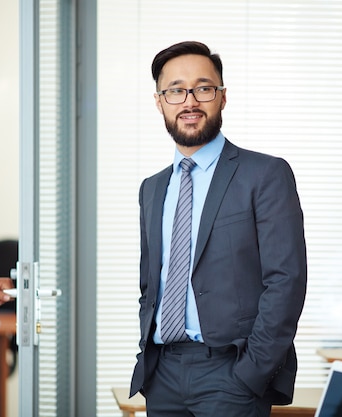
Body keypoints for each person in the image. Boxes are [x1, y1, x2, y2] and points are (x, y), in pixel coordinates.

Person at [130, 41, 307, 417]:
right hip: (163, 375)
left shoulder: (264, 175)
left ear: (222, 98)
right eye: (176, 90)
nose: (190, 101)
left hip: (232, 374)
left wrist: (250, 373)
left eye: (204, 88)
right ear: (159, 101)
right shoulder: (152, 188)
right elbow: (152, 284)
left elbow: (286, 280)